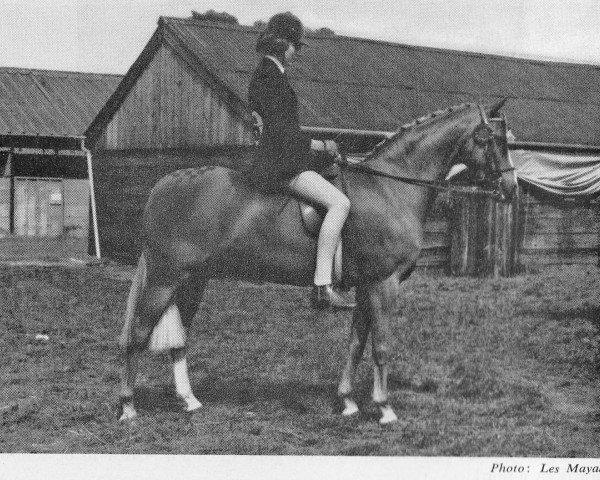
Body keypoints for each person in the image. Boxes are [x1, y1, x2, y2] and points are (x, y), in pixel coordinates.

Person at [247, 12, 355, 309]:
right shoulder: (273, 78)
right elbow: (284, 136)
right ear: (284, 44)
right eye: (295, 46)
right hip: (280, 165)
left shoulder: (265, 74)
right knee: (340, 203)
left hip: (277, 158)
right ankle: (323, 285)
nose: (295, 52)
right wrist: (322, 145)